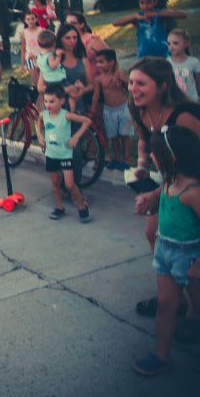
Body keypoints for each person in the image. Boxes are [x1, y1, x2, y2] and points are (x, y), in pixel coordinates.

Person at [130, 57, 200, 319]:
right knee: (152, 232)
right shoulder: (140, 109)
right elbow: (144, 141)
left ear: (162, 85)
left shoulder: (184, 117)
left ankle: (194, 311)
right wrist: (142, 165)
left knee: (189, 248)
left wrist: (155, 195)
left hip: (193, 184)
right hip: (172, 180)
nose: (134, 89)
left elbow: (192, 169)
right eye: (131, 83)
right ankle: (172, 297)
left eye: (141, 84)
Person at [132, 125, 200, 376]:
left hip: (189, 257)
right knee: (165, 305)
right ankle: (162, 355)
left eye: (155, 152)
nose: (151, 156)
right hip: (164, 251)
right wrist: (148, 199)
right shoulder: (170, 181)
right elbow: (162, 198)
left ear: (172, 157)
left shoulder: (193, 191)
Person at [36, 84, 93, 222]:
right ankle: (59, 207)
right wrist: (39, 135)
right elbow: (38, 121)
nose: (48, 105)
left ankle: (81, 206)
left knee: (69, 184)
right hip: (51, 154)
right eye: (46, 101)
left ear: (62, 101)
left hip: (65, 155)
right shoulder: (44, 114)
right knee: (55, 182)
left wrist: (76, 137)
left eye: (52, 101)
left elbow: (87, 121)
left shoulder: (66, 115)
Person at [91, 49, 133, 171]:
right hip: (109, 111)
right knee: (113, 137)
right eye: (97, 62)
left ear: (111, 62)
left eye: (101, 62)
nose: (98, 65)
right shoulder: (98, 79)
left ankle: (126, 160)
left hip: (123, 109)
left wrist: (122, 83)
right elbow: (96, 96)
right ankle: (118, 159)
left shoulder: (119, 73)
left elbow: (129, 88)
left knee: (125, 135)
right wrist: (93, 109)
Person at [113, 0, 187, 59]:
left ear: (155, 2)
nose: (145, 5)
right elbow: (115, 23)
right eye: (142, 3)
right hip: (144, 54)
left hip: (164, 53)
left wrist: (157, 14)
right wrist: (134, 16)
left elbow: (182, 15)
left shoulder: (161, 13)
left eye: (148, 2)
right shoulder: (138, 16)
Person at [65, 11, 109, 81]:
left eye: (73, 23)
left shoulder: (92, 39)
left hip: (95, 82)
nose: (69, 26)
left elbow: (110, 57)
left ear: (82, 24)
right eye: (67, 23)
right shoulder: (64, 40)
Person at [167, 29, 199, 102]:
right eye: (169, 44)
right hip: (174, 101)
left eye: (175, 43)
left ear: (185, 44)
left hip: (191, 101)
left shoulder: (194, 62)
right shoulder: (166, 62)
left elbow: (198, 83)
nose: (171, 47)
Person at [18, 11, 43, 86]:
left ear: (36, 19)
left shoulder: (41, 30)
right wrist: (22, 64)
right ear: (25, 21)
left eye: (32, 19)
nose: (30, 21)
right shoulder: (24, 32)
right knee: (35, 81)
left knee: (42, 80)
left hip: (41, 56)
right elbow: (23, 49)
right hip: (30, 58)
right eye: (28, 19)